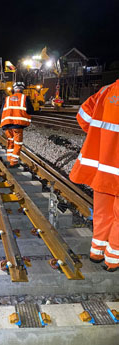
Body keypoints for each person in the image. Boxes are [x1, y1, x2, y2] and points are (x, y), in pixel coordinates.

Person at [69, 80, 119, 272]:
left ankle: (97, 252)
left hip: (104, 167)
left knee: (102, 212)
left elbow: (83, 117)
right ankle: (113, 259)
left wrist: (102, 136)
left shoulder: (106, 91)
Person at [0, 82, 34, 167]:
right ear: (22, 89)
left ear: (14, 90)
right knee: (17, 144)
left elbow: (1, 112)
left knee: (10, 141)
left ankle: (9, 159)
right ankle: (14, 162)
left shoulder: (7, 98)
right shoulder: (24, 98)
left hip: (6, 125)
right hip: (17, 126)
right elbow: (30, 111)